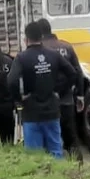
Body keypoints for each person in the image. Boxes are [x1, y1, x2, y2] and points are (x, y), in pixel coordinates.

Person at [8, 21, 78, 158]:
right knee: (56, 151)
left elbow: (11, 80)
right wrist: (59, 92)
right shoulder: (53, 55)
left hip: (32, 112)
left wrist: (19, 99)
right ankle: (57, 178)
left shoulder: (21, 58)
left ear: (26, 39)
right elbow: (73, 73)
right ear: (41, 37)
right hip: (52, 110)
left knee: (35, 156)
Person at [37, 18, 85, 153]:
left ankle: (53, 168)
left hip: (46, 102)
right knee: (71, 137)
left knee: (48, 139)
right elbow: (77, 72)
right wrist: (80, 95)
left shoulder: (39, 49)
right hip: (67, 100)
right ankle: (78, 169)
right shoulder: (67, 47)